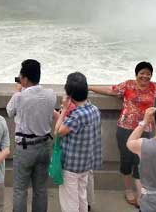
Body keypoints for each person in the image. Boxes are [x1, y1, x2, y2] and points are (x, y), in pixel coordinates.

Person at [88, 61, 156, 206]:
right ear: (136, 74)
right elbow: (110, 90)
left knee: (142, 162)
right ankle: (128, 190)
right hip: (125, 129)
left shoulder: (154, 87)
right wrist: (89, 87)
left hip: (145, 129)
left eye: (148, 73)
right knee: (126, 160)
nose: (145, 76)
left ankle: (140, 192)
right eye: (142, 73)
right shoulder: (127, 85)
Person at [6, 59, 56, 212]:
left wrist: (18, 91)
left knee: (20, 189)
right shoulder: (51, 94)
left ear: (25, 79)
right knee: (41, 189)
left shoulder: (19, 97)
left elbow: (9, 112)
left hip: (25, 147)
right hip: (45, 144)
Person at [55, 72, 102, 212]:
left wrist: (63, 110)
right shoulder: (94, 109)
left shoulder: (77, 115)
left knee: (70, 202)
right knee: (82, 197)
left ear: (69, 94)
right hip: (86, 163)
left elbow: (57, 132)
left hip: (71, 165)